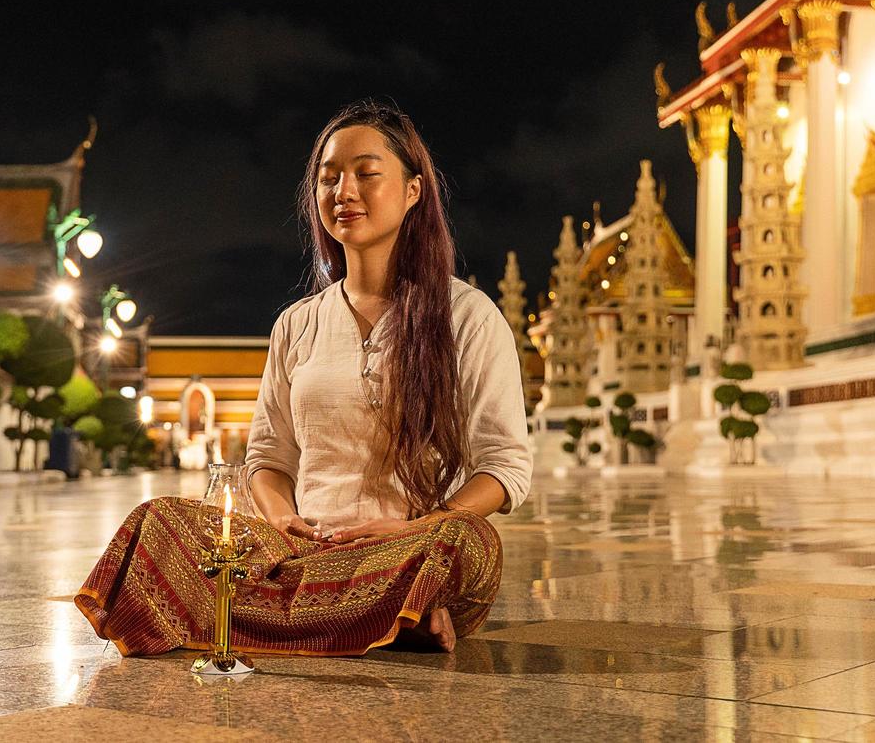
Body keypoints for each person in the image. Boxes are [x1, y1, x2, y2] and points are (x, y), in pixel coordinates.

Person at [75, 100, 532, 657]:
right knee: (159, 523)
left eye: (366, 174)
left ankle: (270, 615)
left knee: (470, 543)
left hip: (411, 547)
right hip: (302, 551)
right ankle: (377, 618)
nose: (344, 191)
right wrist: (284, 521)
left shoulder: (469, 315)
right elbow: (268, 459)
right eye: (328, 178)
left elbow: (505, 467)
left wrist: (421, 528)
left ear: (413, 190)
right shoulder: (298, 323)